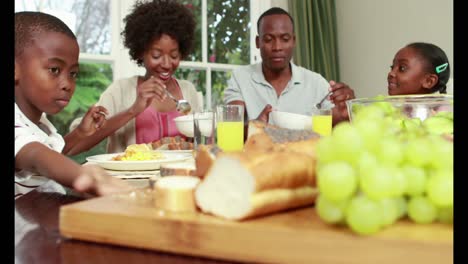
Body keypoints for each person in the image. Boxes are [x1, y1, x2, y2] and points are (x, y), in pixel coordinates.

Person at [15, 11, 132, 198]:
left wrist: (80, 134)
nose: (67, 84)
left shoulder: (40, 123)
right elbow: (36, 155)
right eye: (54, 70)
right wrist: (81, 174)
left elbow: (51, 151)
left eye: (73, 73)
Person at [69, 0, 202, 154]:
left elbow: (200, 143)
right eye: (156, 55)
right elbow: (74, 147)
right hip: (130, 178)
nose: (166, 64)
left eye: (174, 55)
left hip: (180, 177)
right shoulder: (120, 90)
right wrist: (133, 110)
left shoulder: (188, 90)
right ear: (140, 52)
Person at [223, 7, 355, 126]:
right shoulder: (240, 78)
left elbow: (337, 124)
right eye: (269, 39)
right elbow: (231, 127)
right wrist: (253, 127)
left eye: (285, 39)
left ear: (294, 41)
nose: (277, 47)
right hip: (257, 152)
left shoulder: (316, 83)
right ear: (258, 42)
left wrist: (348, 108)